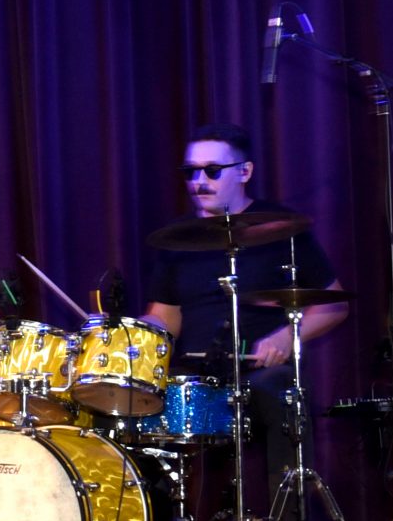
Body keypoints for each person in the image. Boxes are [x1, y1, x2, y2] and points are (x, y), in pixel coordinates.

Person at [143, 123, 345, 378]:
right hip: (196, 378)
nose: (198, 182)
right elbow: (165, 318)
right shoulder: (175, 237)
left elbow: (334, 305)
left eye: (212, 171)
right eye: (191, 171)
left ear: (244, 172)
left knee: (268, 387)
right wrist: (122, 330)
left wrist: (287, 337)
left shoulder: (281, 227)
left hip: (264, 373)